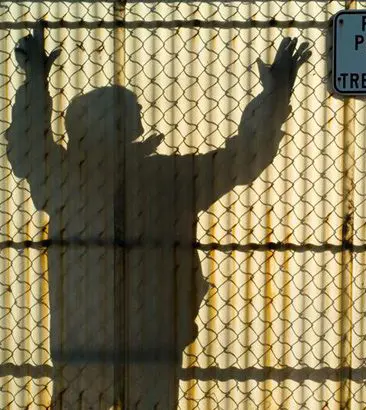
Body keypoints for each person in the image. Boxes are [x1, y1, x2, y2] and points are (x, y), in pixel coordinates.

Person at [6, 20, 311, 409]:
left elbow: (28, 145)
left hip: (91, 340)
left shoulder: (69, 179)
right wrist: (276, 95)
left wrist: (34, 81)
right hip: (145, 339)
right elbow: (242, 158)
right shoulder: (163, 180)